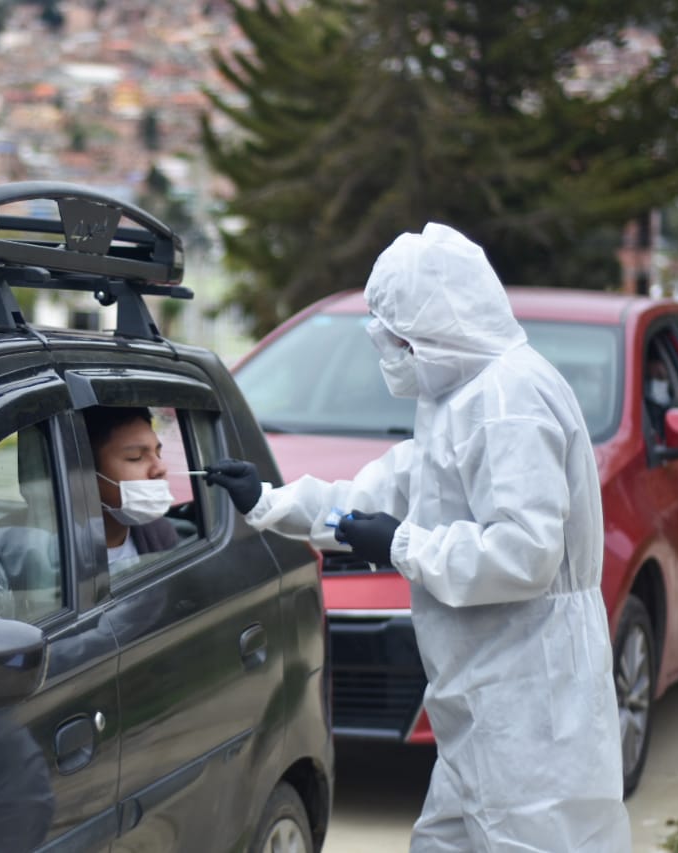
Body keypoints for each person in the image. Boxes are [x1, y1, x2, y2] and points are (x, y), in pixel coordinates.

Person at [206, 223, 631, 851]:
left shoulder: (510, 399)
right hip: (483, 700)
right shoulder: (457, 398)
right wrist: (270, 503)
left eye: (399, 337)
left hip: (533, 704)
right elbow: (378, 495)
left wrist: (403, 546)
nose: (392, 352)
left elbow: (526, 553)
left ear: (439, 325)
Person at [84, 406, 178, 569]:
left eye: (158, 453)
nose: (160, 468)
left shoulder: (160, 533)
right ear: (86, 474)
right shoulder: (49, 555)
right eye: (136, 457)